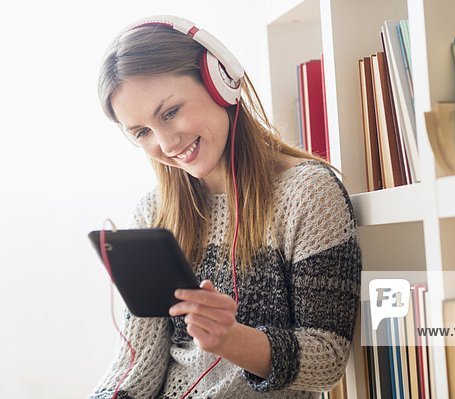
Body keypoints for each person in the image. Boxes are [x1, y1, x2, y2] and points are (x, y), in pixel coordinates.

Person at [90, 15, 362, 399]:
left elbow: (328, 358)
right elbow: (135, 368)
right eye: (142, 132)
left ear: (220, 82)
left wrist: (232, 339)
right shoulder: (153, 212)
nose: (166, 144)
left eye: (170, 112)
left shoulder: (307, 193)